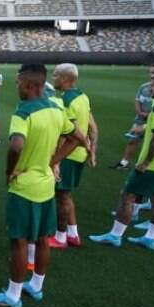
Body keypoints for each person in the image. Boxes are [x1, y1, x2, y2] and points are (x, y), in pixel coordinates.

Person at [0, 64, 87, 307]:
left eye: (18, 83)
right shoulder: (56, 108)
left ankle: (13, 295)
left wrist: (10, 171)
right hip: (46, 186)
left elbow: (16, 145)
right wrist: (52, 162)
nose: (16, 86)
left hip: (25, 187)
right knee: (41, 239)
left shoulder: (24, 112)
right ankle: (36, 287)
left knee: (19, 241)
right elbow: (78, 138)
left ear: (30, 85)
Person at [90, 72, 154, 251]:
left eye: (153, 85)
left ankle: (115, 235)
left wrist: (146, 162)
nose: (150, 89)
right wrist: (143, 130)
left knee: (127, 195)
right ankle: (151, 238)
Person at [49, 64, 98, 249]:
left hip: (68, 155)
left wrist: (56, 162)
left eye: (55, 75)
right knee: (66, 195)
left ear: (64, 78)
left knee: (61, 196)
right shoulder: (83, 97)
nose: (53, 78)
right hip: (79, 154)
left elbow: (67, 134)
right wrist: (92, 150)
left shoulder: (67, 101)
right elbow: (93, 127)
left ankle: (60, 237)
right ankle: (73, 234)